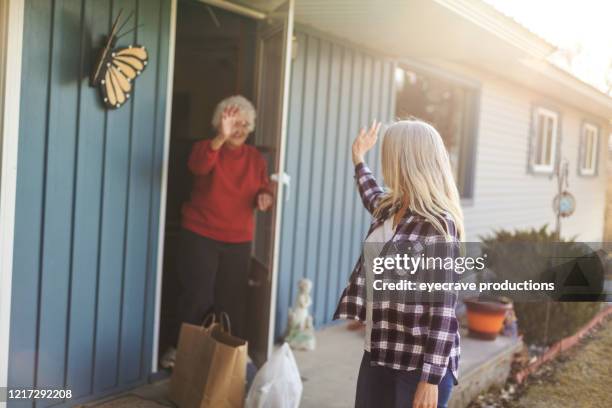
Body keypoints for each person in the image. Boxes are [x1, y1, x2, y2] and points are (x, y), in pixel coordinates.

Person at [334, 119, 464, 408]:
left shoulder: (438, 224)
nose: (384, 160)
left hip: (416, 365)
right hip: (377, 350)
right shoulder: (391, 207)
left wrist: (430, 380)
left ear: (406, 159)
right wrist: (358, 159)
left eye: (389, 153)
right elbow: (370, 193)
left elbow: (443, 309)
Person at [162, 95, 274, 368]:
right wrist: (220, 139)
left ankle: (229, 353)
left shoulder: (255, 158)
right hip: (201, 234)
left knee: (232, 298)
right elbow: (198, 166)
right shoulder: (206, 148)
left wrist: (265, 196)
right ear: (220, 123)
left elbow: (263, 186)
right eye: (235, 123)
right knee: (197, 296)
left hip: (238, 237)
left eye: (246, 124)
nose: (241, 129)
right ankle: (181, 350)